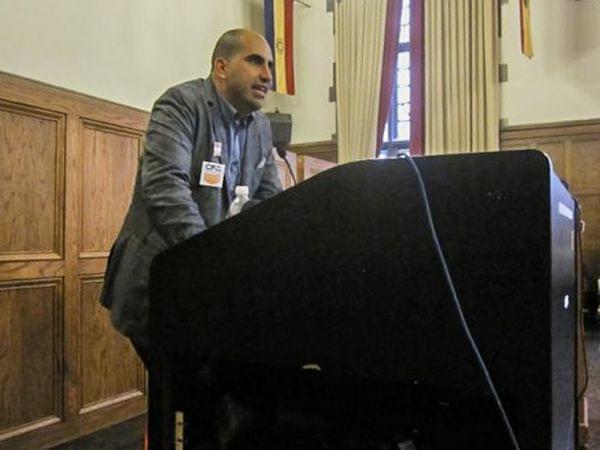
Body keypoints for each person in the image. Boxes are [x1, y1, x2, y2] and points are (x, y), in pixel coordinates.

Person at [100, 29, 282, 364]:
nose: (268, 75)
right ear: (221, 67)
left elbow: (272, 203)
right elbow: (165, 188)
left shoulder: (260, 127)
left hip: (215, 291)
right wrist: (209, 264)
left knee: (227, 399)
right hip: (158, 285)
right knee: (196, 397)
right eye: (255, 61)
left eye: (270, 65)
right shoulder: (181, 104)